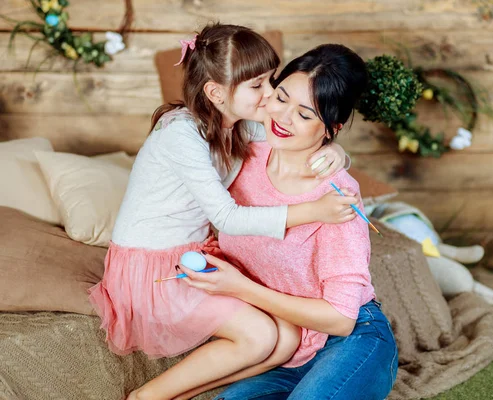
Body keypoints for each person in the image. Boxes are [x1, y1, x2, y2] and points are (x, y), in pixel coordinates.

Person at [88, 23, 358, 400]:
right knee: (262, 335)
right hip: (150, 269)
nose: (269, 98)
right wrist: (314, 210)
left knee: (288, 338)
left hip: (187, 255)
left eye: (270, 82)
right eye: (257, 86)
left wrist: (338, 153)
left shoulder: (239, 125)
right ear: (215, 93)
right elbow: (228, 218)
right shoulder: (181, 134)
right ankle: (145, 397)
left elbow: (306, 137)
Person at [179, 44, 398, 400]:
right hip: (287, 349)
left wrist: (240, 288)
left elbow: (341, 318)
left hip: (350, 339)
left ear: (331, 128)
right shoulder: (240, 154)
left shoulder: (337, 198)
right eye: (281, 98)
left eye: (306, 114)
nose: (283, 118)